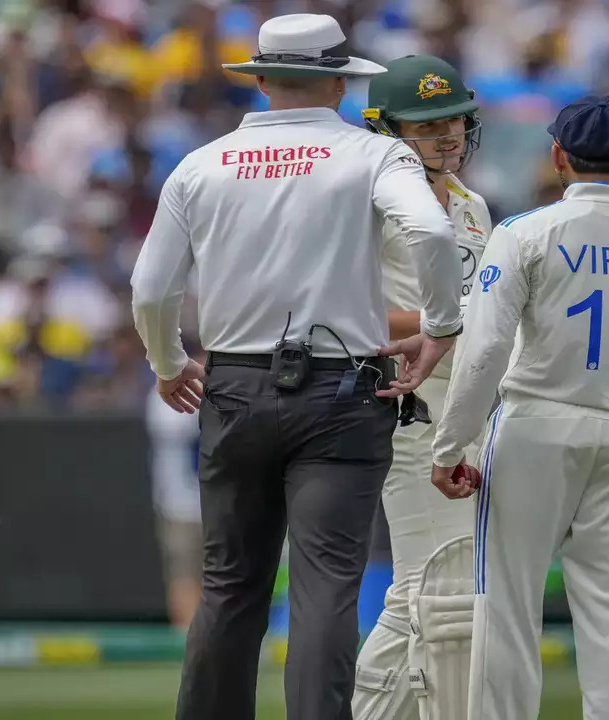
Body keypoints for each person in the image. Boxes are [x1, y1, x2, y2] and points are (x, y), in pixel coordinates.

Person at [129, 14, 465, 720]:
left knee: (228, 586)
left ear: (260, 79)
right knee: (325, 587)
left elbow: (151, 287)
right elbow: (432, 230)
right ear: (340, 81)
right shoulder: (374, 156)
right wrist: (440, 325)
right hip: (343, 389)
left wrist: (167, 361)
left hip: (235, 385)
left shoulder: (203, 162)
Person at [430, 96, 609, 720]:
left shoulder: (525, 232)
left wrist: (449, 446)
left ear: (558, 156)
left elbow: (483, 352)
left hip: (537, 422)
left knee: (506, 604)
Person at [353, 54, 491, 720]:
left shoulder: (470, 204)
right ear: (387, 130)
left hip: (472, 404)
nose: (447, 138)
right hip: (408, 399)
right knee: (426, 583)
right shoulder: (367, 201)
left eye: (454, 122)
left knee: (454, 588)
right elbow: (346, 308)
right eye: (425, 126)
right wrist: (458, 319)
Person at [145, 345, 205, 632]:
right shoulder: (163, 394)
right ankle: (187, 637)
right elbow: (175, 427)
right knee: (184, 573)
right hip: (182, 503)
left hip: (222, 501)